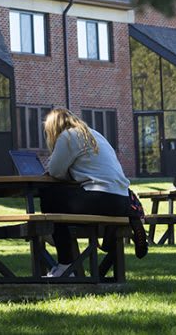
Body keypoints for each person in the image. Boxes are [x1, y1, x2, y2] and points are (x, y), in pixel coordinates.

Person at [39, 108, 148, 277]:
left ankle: (65, 264)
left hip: (99, 197)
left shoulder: (67, 136)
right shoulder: (94, 134)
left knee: (50, 197)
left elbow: (55, 171)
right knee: (64, 202)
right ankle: (116, 237)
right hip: (122, 199)